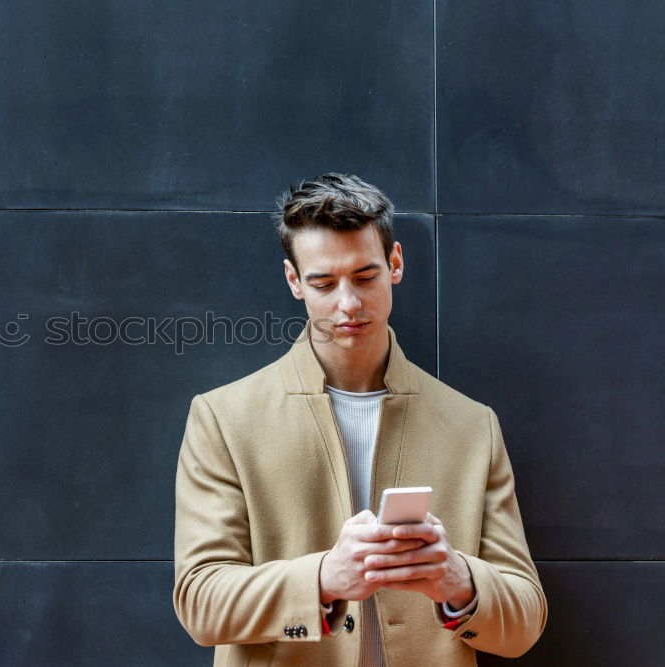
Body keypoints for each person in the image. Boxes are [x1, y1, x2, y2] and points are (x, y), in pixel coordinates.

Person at [173, 173, 547, 666]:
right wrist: (325, 578)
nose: (348, 304)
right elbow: (200, 605)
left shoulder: (473, 425)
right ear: (293, 281)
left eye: (365, 277)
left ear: (395, 264)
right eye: (323, 283)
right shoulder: (222, 417)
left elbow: (524, 625)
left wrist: (457, 580)